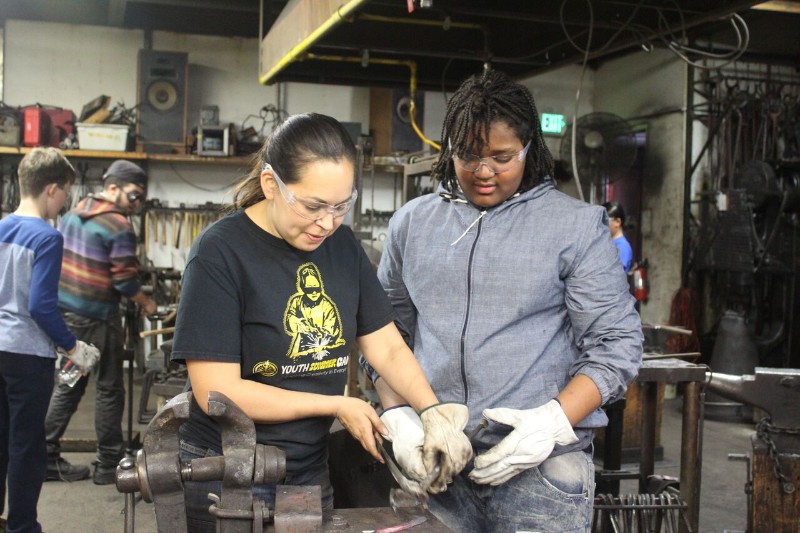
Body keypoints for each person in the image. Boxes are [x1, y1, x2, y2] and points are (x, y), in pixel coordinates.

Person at [364, 70, 643, 532]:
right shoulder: (412, 225)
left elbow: (616, 345)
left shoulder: (573, 228)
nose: (484, 171)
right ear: (448, 148)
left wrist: (553, 422)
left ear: (529, 149)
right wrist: (399, 414)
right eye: (468, 155)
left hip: (542, 472)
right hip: (439, 464)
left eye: (502, 157)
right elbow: (384, 336)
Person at [169, 112, 472, 532]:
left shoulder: (342, 246)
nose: (327, 223)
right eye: (313, 206)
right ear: (271, 184)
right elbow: (217, 392)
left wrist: (432, 410)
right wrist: (336, 404)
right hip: (228, 472)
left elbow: (386, 347)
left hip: (309, 471)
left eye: (340, 206)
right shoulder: (219, 252)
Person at [0, 147, 100, 533]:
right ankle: (22, 527)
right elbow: (40, 306)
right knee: (26, 447)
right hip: (27, 355)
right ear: (52, 189)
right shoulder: (47, 236)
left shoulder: (2, 228)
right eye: (66, 193)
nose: (65, 202)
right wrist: (72, 346)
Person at [44, 159, 157, 485]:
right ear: (112, 187)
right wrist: (147, 303)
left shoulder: (74, 213)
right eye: (133, 195)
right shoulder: (118, 224)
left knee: (70, 383)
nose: (136, 203)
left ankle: (44, 454)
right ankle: (108, 463)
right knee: (109, 388)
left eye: (140, 197)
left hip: (68, 316)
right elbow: (125, 281)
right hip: (99, 318)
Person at [603, 200, 633, 272]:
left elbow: (614, 274)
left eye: (605, 220)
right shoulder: (606, 243)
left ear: (617, 222)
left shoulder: (623, 247)